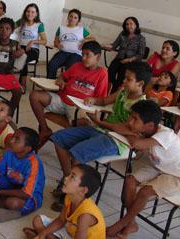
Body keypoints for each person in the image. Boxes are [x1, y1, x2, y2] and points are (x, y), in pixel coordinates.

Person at [49, 62, 150, 211]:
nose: (123, 81)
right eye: (124, 78)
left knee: (76, 153)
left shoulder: (141, 105)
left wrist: (99, 122)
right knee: (59, 139)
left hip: (118, 140)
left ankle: (75, 195)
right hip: (103, 129)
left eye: (128, 79)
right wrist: (93, 100)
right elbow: (104, 100)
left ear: (140, 83)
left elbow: (126, 128)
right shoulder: (123, 91)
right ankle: (68, 182)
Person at [106, 100, 180, 238]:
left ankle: (122, 224)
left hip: (177, 175)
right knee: (130, 181)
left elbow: (138, 145)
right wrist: (101, 123)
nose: (130, 122)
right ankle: (131, 223)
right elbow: (122, 128)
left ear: (150, 125)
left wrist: (132, 134)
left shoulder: (166, 135)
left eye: (135, 119)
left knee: (145, 192)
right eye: (131, 117)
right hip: (159, 167)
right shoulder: (147, 129)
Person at [29, 41, 108, 147]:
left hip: (78, 107)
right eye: (82, 54)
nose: (83, 58)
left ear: (98, 57)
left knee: (87, 124)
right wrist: (61, 80)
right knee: (35, 95)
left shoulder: (102, 73)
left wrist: (93, 100)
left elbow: (101, 99)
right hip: (62, 100)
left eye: (87, 55)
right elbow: (63, 76)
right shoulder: (77, 66)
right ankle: (45, 129)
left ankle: (71, 146)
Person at [0, 127, 45, 222]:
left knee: (13, 203)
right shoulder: (9, 152)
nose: (11, 141)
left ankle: (14, 210)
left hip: (28, 195)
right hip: (10, 185)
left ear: (27, 149)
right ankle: (5, 205)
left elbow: (26, 193)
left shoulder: (33, 163)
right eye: (13, 137)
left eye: (17, 140)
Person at [23, 164, 105, 239]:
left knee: (46, 232)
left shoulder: (85, 215)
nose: (66, 178)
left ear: (83, 190)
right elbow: (61, 220)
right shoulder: (69, 197)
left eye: (72, 177)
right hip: (71, 231)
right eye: (69, 175)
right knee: (37, 220)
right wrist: (43, 234)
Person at [47, 9, 94, 79]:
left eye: (75, 18)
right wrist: (57, 45)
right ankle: (50, 85)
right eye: (71, 16)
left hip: (76, 54)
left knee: (70, 67)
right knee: (52, 64)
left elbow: (93, 39)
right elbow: (55, 42)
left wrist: (85, 40)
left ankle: (66, 87)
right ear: (68, 17)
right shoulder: (61, 28)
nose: (72, 19)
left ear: (78, 20)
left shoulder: (82, 29)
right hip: (62, 53)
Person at [103, 16, 146, 92]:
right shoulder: (122, 34)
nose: (129, 26)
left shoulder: (141, 38)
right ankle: (106, 91)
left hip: (131, 62)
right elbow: (114, 45)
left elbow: (141, 54)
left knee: (121, 78)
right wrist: (103, 46)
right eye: (127, 24)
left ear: (136, 25)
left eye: (131, 24)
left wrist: (129, 60)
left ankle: (113, 94)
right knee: (109, 73)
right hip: (119, 58)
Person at [16, 3, 47, 89]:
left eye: (33, 12)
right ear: (25, 12)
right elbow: (10, 28)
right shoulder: (21, 21)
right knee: (10, 56)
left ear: (36, 14)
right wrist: (16, 43)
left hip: (33, 50)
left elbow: (44, 41)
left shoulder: (39, 25)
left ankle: (22, 84)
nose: (30, 14)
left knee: (23, 58)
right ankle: (9, 81)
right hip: (21, 47)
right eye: (28, 11)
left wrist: (33, 42)